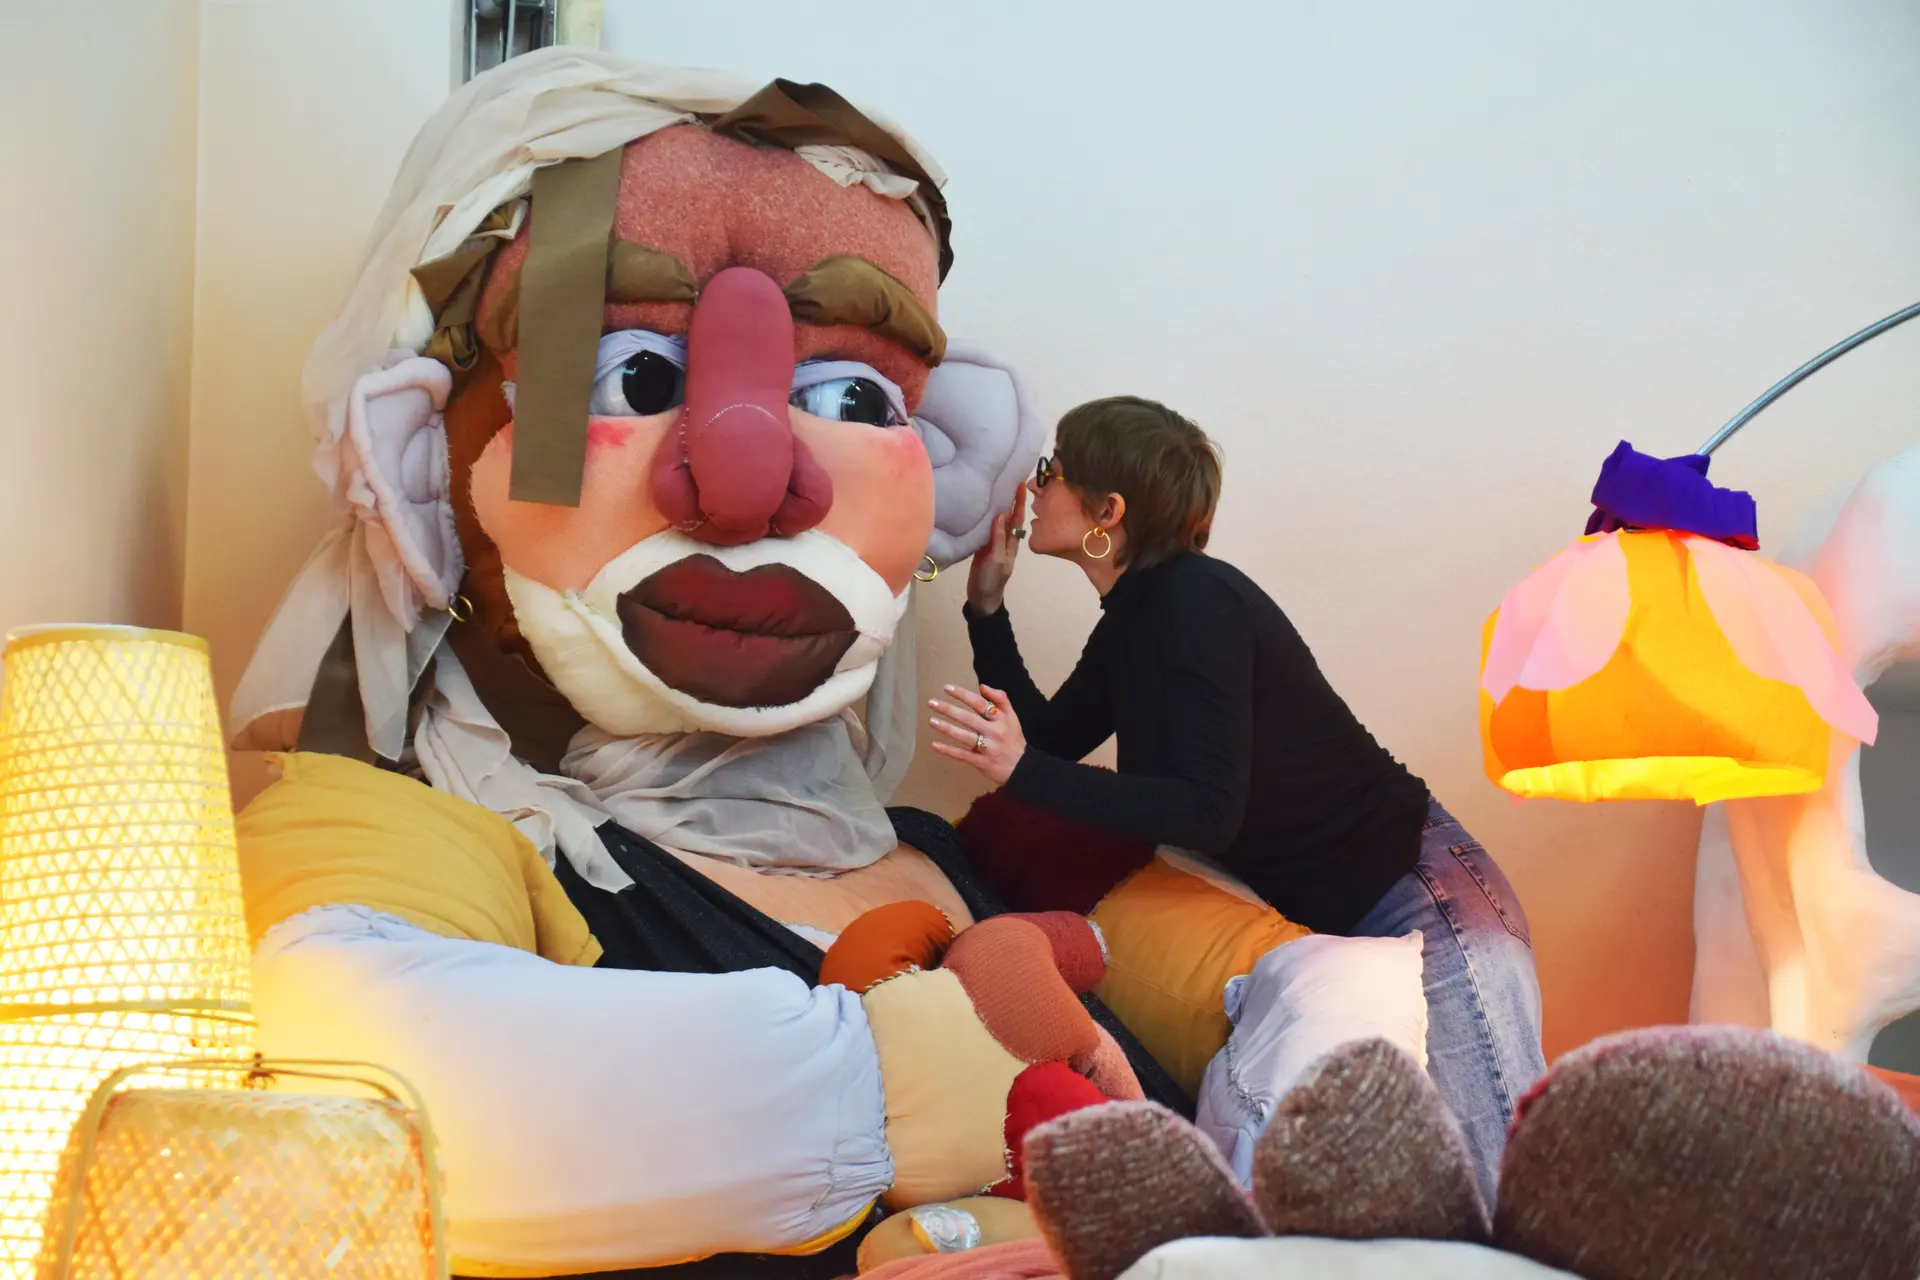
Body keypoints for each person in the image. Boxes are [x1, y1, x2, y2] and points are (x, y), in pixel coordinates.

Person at [927, 395, 1544, 1199]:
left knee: (1501, 1180)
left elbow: (1205, 809)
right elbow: (1047, 745)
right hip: (1352, 918)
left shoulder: (1195, 603)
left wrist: (1022, 771)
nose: (1035, 488)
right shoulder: (1137, 619)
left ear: (1108, 512)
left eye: (1053, 472)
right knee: (1428, 1188)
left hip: (1425, 898)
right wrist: (986, 607)